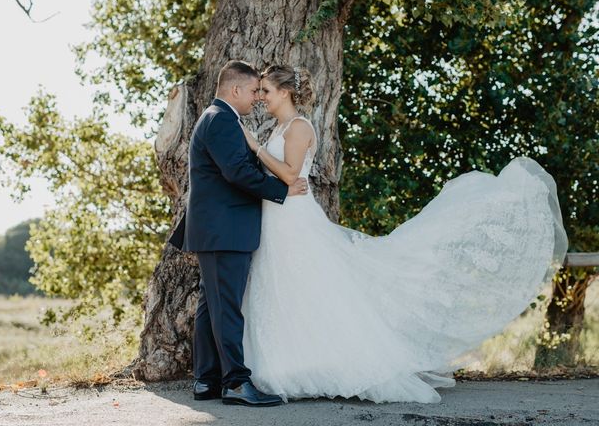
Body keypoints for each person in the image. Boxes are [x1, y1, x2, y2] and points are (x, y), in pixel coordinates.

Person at [239, 64, 569, 404]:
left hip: (295, 220)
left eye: (265, 90)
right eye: (260, 91)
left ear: (285, 92)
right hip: (278, 217)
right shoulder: (279, 126)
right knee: (283, 289)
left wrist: (256, 148)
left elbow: (292, 175)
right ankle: (285, 364)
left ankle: (313, 365)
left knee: (305, 288)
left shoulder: (298, 127)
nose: (261, 97)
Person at [174, 60, 308, 407]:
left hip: (219, 230)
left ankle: (207, 380)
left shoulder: (218, 119)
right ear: (235, 90)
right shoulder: (221, 121)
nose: (256, 98)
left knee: (213, 306)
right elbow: (236, 173)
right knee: (227, 308)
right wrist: (282, 191)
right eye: (252, 91)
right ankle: (235, 383)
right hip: (224, 231)